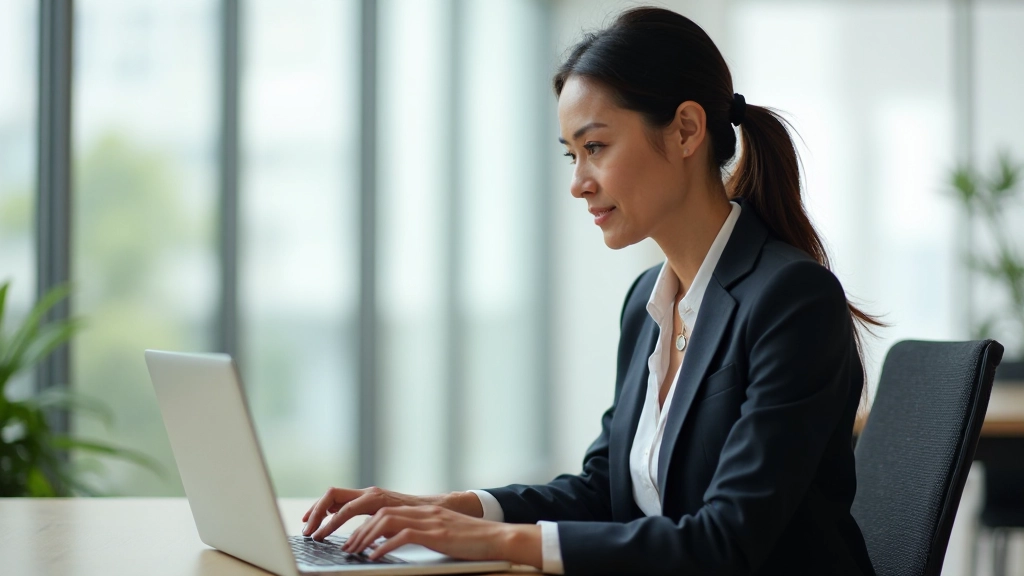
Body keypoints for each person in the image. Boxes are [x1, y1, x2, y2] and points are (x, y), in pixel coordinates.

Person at [301, 6, 880, 575]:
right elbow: (605, 490)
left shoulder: (792, 299)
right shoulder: (647, 303)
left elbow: (724, 542)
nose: (578, 183)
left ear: (686, 130)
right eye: (571, 155)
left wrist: (495, 540)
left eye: (595, 147)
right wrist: (454, 508)